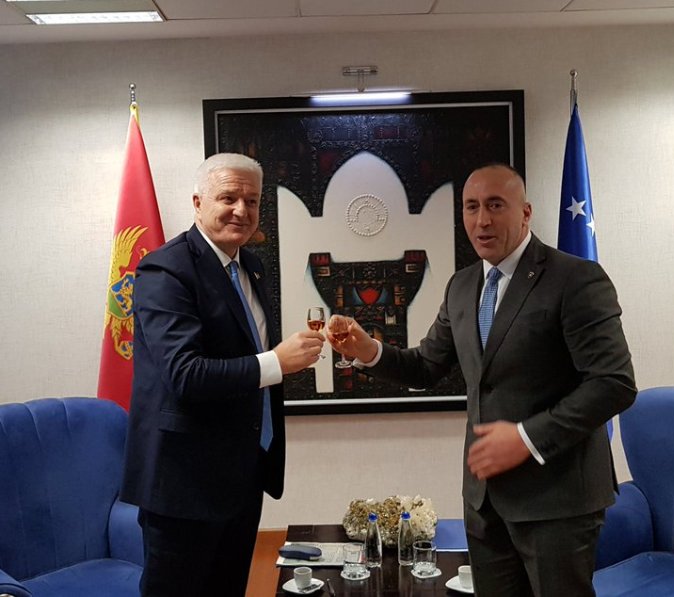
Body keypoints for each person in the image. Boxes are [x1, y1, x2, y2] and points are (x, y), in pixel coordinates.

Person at [330, 163, 636, 596]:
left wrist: (526, 437)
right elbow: (425, 367)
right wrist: (368, 350)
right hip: (484, 502)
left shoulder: (575, 278)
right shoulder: (462, 285)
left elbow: (613, 383)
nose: (482, 220)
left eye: (495, 205)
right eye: (471, 207)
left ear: (525, 213)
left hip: (558, 502)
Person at [121, 153, 324, 596]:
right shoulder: (165, 269)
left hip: (242, 473)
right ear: (198, 203)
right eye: (228, 198)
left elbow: (239, 353)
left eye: (251, 201)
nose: (241, 210)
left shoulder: (251, 265)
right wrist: (277, 362)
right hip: (184, 483)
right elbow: (185, 374)